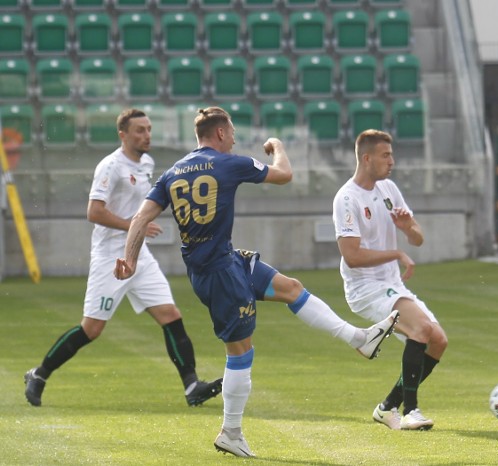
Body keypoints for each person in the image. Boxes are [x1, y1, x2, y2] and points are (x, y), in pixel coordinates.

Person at [114, 107, 398, 458]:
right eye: (231, 132)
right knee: (240, 351)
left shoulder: (173, 172)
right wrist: (277, 145)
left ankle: (360, 338)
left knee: (291, 287)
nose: (233, 139)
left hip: (222, 262)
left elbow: (141, 217)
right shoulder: (229, 163)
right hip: (219, 274)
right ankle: (230, 431)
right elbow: (284, 174)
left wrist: (129, 258)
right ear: (220, 134)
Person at [24, 108, 223, 408]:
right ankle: (39, 374)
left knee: (171, 315)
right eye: (140, 130)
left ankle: (192, 386)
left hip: (139, 255)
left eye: (149, 129)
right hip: (110, 258)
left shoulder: (147, 163)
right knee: (92, 329)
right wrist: (134, 223)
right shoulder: (110, 167)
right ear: (123, 135)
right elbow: (94, 212)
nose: (147, 135)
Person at [332, 129, 449, 431]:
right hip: (365, 288)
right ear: (367, 158)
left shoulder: (388, 189)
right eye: (386, 156)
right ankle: (411, 411)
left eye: (392, 155)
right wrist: (396, 253)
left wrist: (407, 228)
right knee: (421, 329)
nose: (392, 161)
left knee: (437, 341)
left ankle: (387, 407)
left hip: (391, 285)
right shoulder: (346, 199)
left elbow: (418, 238)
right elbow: (352, 255)